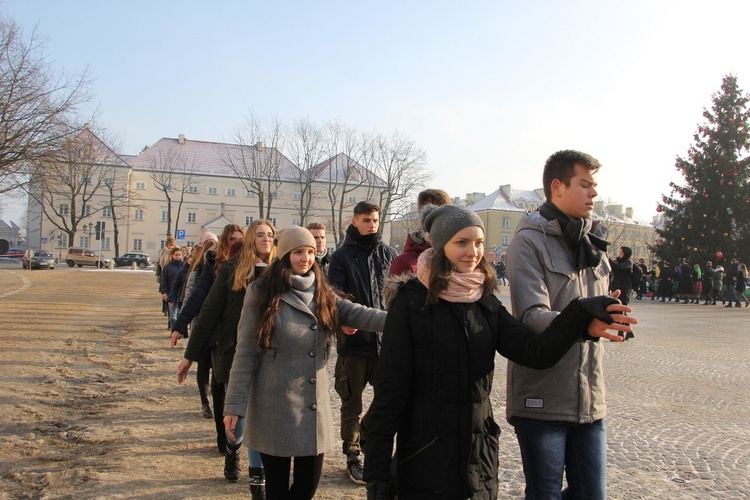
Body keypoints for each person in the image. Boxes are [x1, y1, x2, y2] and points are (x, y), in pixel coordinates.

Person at [363, 205, 635, 499]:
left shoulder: (485, 303)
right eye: (462, 243)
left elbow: (535, 353)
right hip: (424, 458)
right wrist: (377, 473)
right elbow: (391, 392)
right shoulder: (410, 305)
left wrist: (579, 315)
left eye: (478, 243)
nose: (473, 252)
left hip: (478, 459)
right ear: (441, 247)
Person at [223, 227, 389, 500]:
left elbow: (361, 315)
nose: (306, 258)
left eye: (311, 252)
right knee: (277, 491)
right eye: (299, 251)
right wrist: (234, 406)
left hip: (313, 411)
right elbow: (245, 354)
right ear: (285, 254)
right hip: (273, 407)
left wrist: (402, 320)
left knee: (306, 488)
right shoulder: (261, 293)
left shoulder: (322, 292)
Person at [505, 149, 621, 499]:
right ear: (557, 187)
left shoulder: (591, 243)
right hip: (543, 397)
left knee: (592, 494)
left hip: (590, 398)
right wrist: (585, 322)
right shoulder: (528, 241)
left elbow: (594, 307)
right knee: (545, 495)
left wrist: (611, 313)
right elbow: (532, 316)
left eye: (594, 185)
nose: (594, 193)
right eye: (584, 184)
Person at [177, 220, 275, 497]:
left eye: (270, 235)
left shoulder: (283, 270)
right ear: (250, 239)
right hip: (236, 352)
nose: (266, 240)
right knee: (240, 416)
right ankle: (233, 450)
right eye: (260, 235)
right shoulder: (231, 270)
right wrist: (189, 356)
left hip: (271, 355)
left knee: (260, 415)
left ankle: (258, 476)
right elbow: (209, 311)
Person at [328, 201, 397, 484]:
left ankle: (367, 434)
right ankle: (352, 456)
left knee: (389, 398)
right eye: (366, 220)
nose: (372, 225)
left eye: (375, 220)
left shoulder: (389, 253)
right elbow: (334, 294)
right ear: (354, 221)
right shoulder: (341, 256)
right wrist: (343, 319)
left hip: (385, 344)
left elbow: (396, 293)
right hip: (354, 344)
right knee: (351, 403)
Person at [389, 188, 451, 277]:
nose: (442, 223)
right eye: (434, 216)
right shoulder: (404, 262)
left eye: (446, 216)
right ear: (423, 218)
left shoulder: (458, 257)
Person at [608, 246, 635, 340]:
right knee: (620, 310)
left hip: (624, 289)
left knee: (621, 311)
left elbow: (619, 268)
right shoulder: (619, 261)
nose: (620, 253)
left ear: (626, 253)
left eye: (622, 252)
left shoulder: (628, 262)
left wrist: (608, 259)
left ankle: (620, 334)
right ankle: (629, 332)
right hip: (618, 288)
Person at [160, 246, 183, 330]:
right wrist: (164, 292)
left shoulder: (184, 266)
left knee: (179, 313)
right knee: (173, 313)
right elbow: (164, 281)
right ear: (172, 255)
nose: (178, 256)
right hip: (171, 293)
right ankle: (174, 329)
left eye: (179, 255)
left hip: (181, 293)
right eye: (176, 255)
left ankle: (178, 329)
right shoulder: (167, 267)